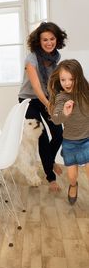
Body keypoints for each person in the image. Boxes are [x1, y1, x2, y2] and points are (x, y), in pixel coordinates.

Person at [18, 22, 68, 191]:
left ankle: (50, 161)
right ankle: (50, 177)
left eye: (52, 39)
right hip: (29, 99)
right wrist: (49, 105)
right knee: (42, 136)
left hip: (47, 97)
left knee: (59, 133)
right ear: (38, 41)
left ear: (57, 39)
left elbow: (53, 83)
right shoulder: (31, 58)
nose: (48, 43)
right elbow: (37, 87)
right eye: (45, 39)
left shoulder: (57, 56)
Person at [48, 59, 89, 204]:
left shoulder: (86, 93)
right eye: (63, 79)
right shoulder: (61, 97)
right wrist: (64, 112)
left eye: (71, 79)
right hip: (70, 143)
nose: (67, 83)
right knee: (72, 176)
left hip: (87, 140)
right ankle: (73, 185)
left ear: (79, 76)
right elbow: (56, 119)